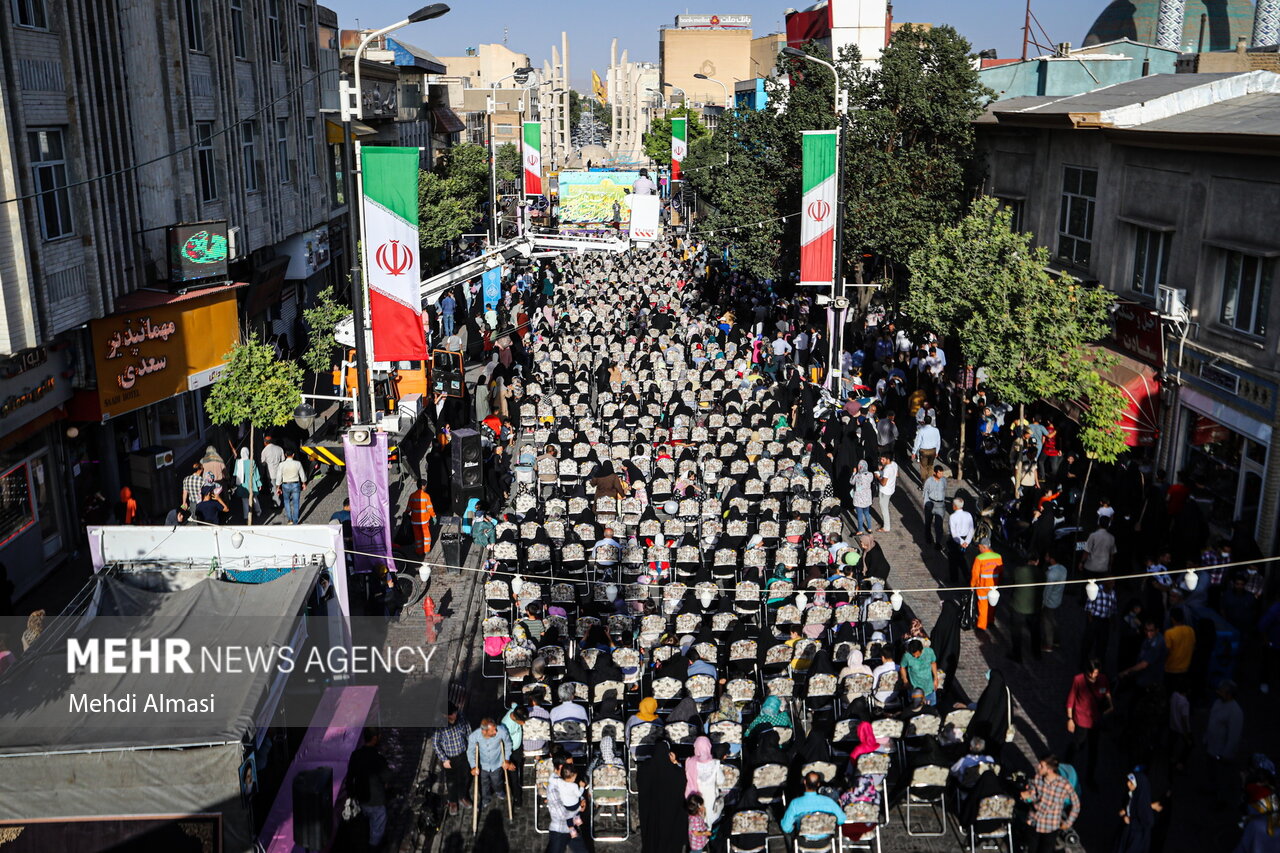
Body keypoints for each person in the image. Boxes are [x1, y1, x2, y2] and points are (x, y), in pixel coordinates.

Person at [1064, 659, 1112, 787]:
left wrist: (1109, 706)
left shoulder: (1103, 679)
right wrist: (1070, 719)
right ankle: (1065, 770)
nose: (1094, 676)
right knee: (1077, 746)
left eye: (1096, 673)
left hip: (1095, 721)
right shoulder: (1079, 680)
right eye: (1093, 673)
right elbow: (1071, 700)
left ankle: (1089, 778)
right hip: (1081, 720)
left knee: (1093, 751)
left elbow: (1107, 694)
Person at [637, 740, 689, 853]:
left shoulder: (645, 768)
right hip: (670, 814)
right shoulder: (675, 773)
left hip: (651, 811)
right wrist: (675, 762)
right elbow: (683, 780)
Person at [1022, 754, 1080, 853]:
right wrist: (1027, 797)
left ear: (1049, 770)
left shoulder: (1063, 784)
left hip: (1050, 826)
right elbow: (1033, 797)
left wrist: (1068, 822)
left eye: (1041, 765)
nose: (1038, 767)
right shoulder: (1038, 778)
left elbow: (1076, 804)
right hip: (1034, 823)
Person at [347, 727, 391, 849]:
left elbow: (350, 777)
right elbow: (387, 776)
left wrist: (351, 795)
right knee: (377, 827)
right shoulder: (378, 758)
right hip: (376, 800)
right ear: (374, 738)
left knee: (365, 823)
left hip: (361, 798)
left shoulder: (355, 756)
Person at [1206, 680, 1244, 800]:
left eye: (1222, 691)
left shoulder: (1235, 712)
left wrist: (1226, 753)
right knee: (1212, 773)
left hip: (1221, 751)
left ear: (1229, 694)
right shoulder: (1218, 703)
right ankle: (1212, 791)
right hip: (1211, 746)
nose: (1218, 692)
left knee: (1222, 777)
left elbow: (1234, 736)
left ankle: (1221, 799)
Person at [466, 717, 515, 810]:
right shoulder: (474, 736)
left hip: (496, 763)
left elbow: (508, 744)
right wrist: (473, 766)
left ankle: (499, 791)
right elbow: (470, 752)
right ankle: (486, 799)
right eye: (492, 731)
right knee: (484, 784)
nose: (495, 732)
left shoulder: (502, 731)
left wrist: (507, 759)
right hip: (483, 765)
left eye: (495, 729)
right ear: (484, 731)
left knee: (497, 781)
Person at [780, 771, 845, 840]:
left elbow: (786, 827)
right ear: (818, 784)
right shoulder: (829, 802)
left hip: (804, 840)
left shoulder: (795, 803)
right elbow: (842, 819)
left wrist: (794, 829)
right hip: (825, 840)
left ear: (804, 782)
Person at [432, 703, 472, 815]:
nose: (455, 714)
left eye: (455, 712)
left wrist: (471, 746)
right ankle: (453, 801)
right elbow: (436, 744)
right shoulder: (439, 725)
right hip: (449, 758)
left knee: (464, 777)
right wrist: (444, 759)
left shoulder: (461, 717)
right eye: (453, 713)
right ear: (445, 715)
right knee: (451, 782)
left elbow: (468, 730)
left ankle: (462, 796)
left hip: (463, 754)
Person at [1006, 554, 1042, 663]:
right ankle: (1037, 653)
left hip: (1018, 606)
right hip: (1034, 607)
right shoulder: (1041, 572)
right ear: (1037, 561)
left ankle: (1017, 655)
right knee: (1035, 631)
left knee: (1016, 632)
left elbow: (1014, 583)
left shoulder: (1019, 571)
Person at [684, 736, 726, 824]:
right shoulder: (715, 763)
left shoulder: (690, 762)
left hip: (694, 801)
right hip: (711, 801)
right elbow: (721, 781)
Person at [546, 763, 587, 853]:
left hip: (571, 827)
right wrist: (579, 808)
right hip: (560, 831)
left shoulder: (562, 780)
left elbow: (573, 795)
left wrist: (582, 800)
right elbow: (563, 815)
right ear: (561, 767)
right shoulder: (553, 788)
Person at [1115, 770, 1154, 853]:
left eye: (1131, 783)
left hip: (1136, 837)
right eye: (1128, 781)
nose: (1128, 784)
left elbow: (1147, 822)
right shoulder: (1131, 795)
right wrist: (1124, 812)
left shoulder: (1142, 801)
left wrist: (1131, 820)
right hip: (1128, 831)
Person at [970, 541, 1003, 632]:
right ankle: (990, 621)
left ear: (984, 547)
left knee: (982, 606)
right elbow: (1000, 571)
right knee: (992, 604)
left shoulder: (979, 558)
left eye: (980, 547)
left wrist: (972, 585)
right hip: (994, 586)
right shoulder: (998, 556)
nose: (979, 549)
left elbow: (975, 574)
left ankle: (981, 625)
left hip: (982, 586)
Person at [1163, 606, 1195, 695]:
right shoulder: (1190, 630)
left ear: (1172, 619)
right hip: (1185, 668)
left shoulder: (1169, 633)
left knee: (1170, 694)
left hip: (1171, 669)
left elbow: (1166, 651)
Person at [899, 638, 939, 705]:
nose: (915, 656)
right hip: (915, 691)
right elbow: (902, 667)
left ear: (921, 650)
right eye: (913, 654)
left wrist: (935, 679)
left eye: (917, 654)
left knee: (931, 710)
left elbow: (933, 663)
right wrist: (905, 681)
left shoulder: (929, 652)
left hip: (929, 689)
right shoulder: (906, 656)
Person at [1041, 556, 1068, 653]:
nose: (1046, 557)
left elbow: (1047, 591)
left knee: (1047, 623)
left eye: (1048, 556)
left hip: (1049, 602)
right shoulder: (1063, 569)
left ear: (1052, 559)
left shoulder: (1051, 574)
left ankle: (1049, 644)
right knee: (1053, 620)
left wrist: (1042, 603)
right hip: (1057, 599)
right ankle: (1056, 640)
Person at [948, 497, 975, 586]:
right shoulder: (968, 515)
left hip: (957, 541)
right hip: (966, 540)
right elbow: (971, 530)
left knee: (954, 561)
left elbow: (954, 533)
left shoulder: (952, 517)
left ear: (955, 506)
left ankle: (954, 579)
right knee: (964, 560)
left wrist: (962, 542)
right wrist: (966, 542)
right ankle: (967, 577)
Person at [276, 449, 307, 524]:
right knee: (296, 503)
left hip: (285, 484)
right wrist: (304, 483)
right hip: (296, 484)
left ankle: (290, 519)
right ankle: (295, 520)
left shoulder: (281, 464)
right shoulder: (298, 463)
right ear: (293, 455)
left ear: (285, 455)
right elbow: (302, 474)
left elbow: (279, 476)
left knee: (286, 502)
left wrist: (278, 487)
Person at [921, 465, 948, 550]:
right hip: (930, 503)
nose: (941, 475)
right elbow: (925, 493)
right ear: (935, 473)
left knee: (939, 525)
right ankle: (928, 538)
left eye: (942, 473)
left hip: (940, 505)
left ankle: (938, 543)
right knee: (928, 523)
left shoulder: (944, 480)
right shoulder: (929, 481)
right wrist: (927, 504)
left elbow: (944, 490)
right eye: (939, 473)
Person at [409, 479, 437, 556]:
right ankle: (426, 550)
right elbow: (430, 508)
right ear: (423, 486)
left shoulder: (412, 496)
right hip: (424, 521)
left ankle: (419, 552)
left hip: (415, 521)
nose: (426, 486)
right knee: (426, 536)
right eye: (425, 485)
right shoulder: (426, 496)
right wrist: (433, 516)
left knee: (418, 538)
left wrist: (405, 514)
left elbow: (409, 508)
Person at [233, 447, 262, 521]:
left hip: (242, 483)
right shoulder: (252, 462)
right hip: (251, 482)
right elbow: (256, 474)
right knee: (254, 497)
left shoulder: (238, 462)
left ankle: (246, 516)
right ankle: (258, 511)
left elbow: (235, 473)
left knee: (244, 500)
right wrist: (259, 483)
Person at [911, 416, 941, 483]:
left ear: (924, 422)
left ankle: (924, 484)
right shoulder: (936, 430)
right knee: (930, 467)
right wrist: (937, 451)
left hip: (924, 451)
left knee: (923, 468)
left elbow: (917, 442)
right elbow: (938, 441)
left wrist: (914, 452)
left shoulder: (921, 430)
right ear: (931, 421)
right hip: (933, 451)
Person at [260, 435, 285, 511]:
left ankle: (277, 504)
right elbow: (283, 460)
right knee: (281, 486)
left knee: (273, 488)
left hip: (271, 474)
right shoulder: (279, 448)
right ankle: (283, 499)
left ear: (265, 443)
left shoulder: (264, 451)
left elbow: (263, 462)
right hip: (280, 472)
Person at [876, 453, 898, 533]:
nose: (881, 461)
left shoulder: (887, 469)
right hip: (891, 489)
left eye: (883, 459)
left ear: (888, 459)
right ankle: (885, 524)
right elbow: (897, 475)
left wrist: (878, 476)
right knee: (885, 507)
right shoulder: (894, 464)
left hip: (885, 491)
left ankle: (886, 527)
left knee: (884, 509)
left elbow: (883, 483)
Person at [851, 461, 875, 535]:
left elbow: (851, 482)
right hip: (867, 498)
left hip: (859, 499)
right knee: (867, 513)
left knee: (860, 515)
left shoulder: (857, 476)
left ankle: (860, 530)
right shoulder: (870, 474)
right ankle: (869, 528)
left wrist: (854, 473)